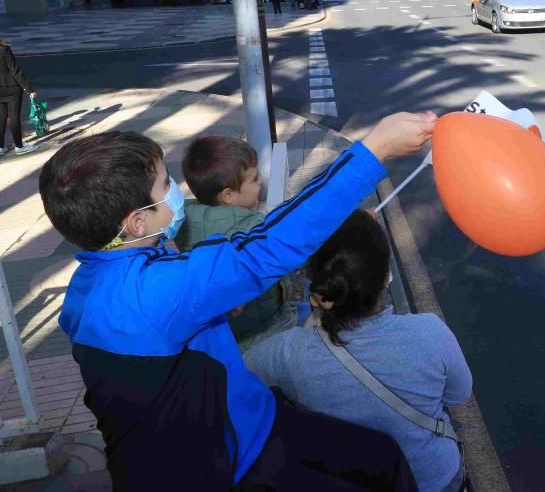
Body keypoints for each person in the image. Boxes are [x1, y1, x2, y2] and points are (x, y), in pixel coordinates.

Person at [39, 112, 437, 491]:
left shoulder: (87, 285)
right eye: (164, 185)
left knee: (381, 458)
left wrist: (205, 315)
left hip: (250, 425)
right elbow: (267, 245)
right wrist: (374, 149)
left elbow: (150, 345)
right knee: (381, 463)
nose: (177, 190)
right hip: (226, 467)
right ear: (136, 222)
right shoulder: (156, 290)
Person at [246, 210, 472, 492]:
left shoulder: (288, 353)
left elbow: (240, 376)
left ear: (315, 282)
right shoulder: (431, 333)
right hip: (435, 480)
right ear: (384, 278)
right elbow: (459, 394)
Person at [175, 136, 308, 353]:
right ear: (228, 195)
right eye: (254, 179)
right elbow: (295, 249)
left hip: (228, 336)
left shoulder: (188, 221)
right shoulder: (253, 228)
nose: (261, 182)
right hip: (266, 330)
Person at [0, 38, 40, 157]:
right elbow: (15, 70)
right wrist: (29, 89)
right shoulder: (4, 49)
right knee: (14, 117)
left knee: (1, 117)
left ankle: (0, 147)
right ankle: (19, 146)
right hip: (12, 87)